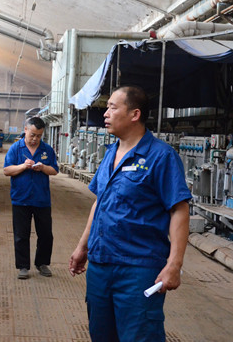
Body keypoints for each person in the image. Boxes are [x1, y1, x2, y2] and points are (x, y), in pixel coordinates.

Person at [69, 86, 191, 342]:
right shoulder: (110, 153)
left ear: (135, 114)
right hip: (100, 266)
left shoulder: (161, 156)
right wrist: (83, 247)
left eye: (113, 107)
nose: (105, 113)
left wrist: (174, 264)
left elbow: (179, 209)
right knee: (101, 334)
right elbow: (99, 202)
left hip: (138, 269)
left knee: (139, 335)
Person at [3, 116, 58, 279]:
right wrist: (23, 166)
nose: (35, 139)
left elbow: (54, 170)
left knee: (46, 234)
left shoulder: (47, 150)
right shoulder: (16, 148)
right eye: (32, 134)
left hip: (42, 200)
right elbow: (6, 170)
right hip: (21, 199)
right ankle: (23, 266)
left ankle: (42, 263)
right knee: (21, 234)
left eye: (39, 136)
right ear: (25, 130)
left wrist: (43, 168)